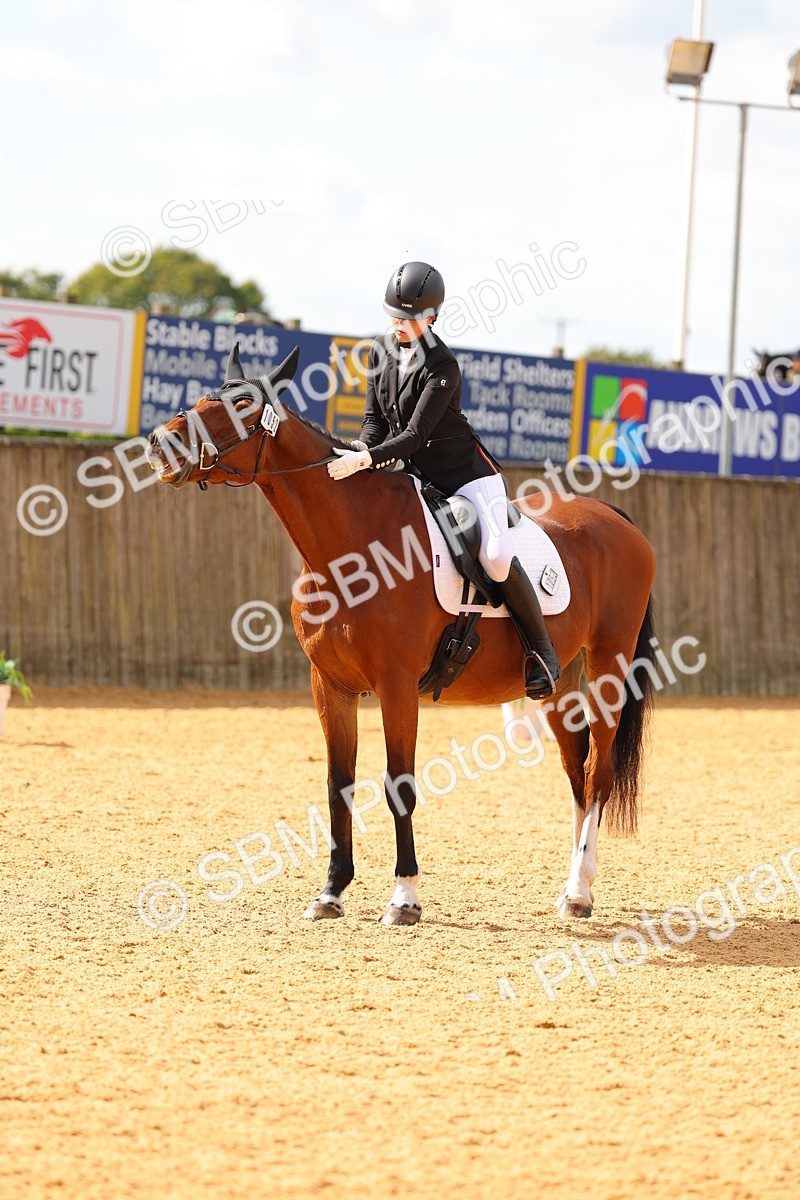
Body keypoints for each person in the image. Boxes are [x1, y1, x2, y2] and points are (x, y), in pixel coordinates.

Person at [327, 261, 560, 700]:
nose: (399, 325)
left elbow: (415, 435)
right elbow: (375, 420)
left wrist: (369, 460)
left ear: (431, 318)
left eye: (409, 319)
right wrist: (362, 449)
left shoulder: (443, 365)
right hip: (415, 476)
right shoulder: (380, 351)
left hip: (468, 478)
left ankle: (543, 652)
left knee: (493, 555)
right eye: (393, 316)